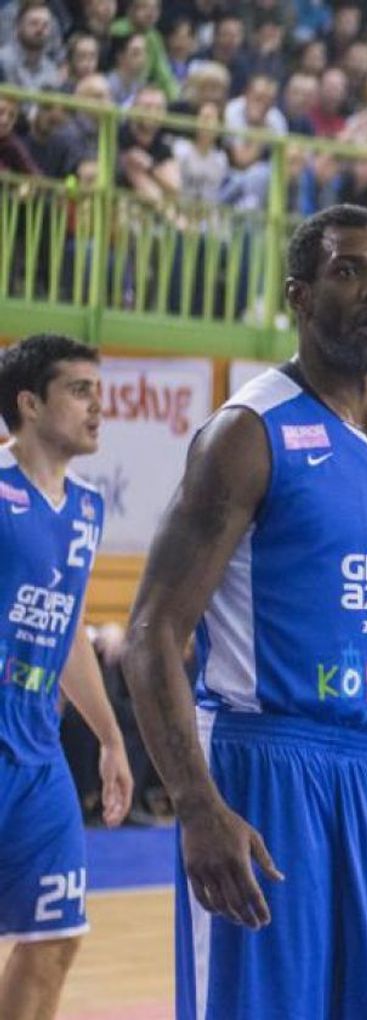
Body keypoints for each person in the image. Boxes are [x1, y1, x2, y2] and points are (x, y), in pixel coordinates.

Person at [121, 205, 367, 1018]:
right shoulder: (247, 433)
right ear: (299, 297)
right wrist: (197, 806)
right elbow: (151, 634)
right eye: (348, 271)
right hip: (264, 767)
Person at [0, 334, 132, 1020]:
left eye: (99, 392)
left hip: (39, 751)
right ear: (29, 403)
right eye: (80, 391)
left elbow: (68, 629)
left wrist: (109, 736)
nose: (97, 407)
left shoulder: (86, 507)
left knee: (55, 937)